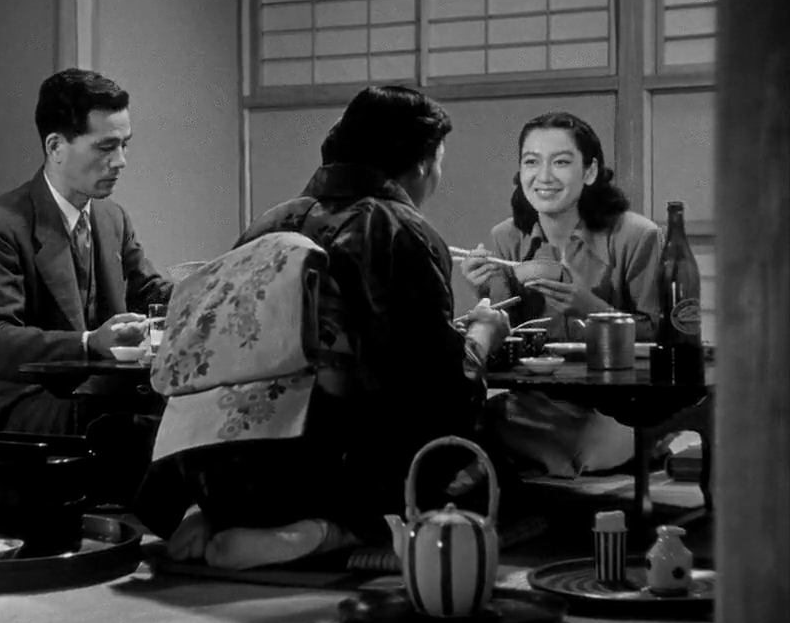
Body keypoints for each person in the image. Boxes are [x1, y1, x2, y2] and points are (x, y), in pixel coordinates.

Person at [138, 85, 511, 570]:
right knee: (487, 469)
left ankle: (217, 516)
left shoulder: (271, 224)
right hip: (333, 470)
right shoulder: (401, 228)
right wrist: (481, 338)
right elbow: (433, 387)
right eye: (438, 161)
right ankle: (325, 532)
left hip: (220, 463)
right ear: (421, 162)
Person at [0, 68, 173, 486]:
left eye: (124, 145)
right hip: (9, 405)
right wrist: (89, 342)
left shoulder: (110, 217)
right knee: (120, 424)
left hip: (86, 393)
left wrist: (214, 292)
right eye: (106, 147)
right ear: (56, 147)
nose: (120, 161)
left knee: (174, 401)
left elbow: (149, 290)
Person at [461, 111, 662, 477]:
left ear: (589, 172)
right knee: (472, 420)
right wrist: (485, 289)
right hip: (537, 400)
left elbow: (660, 334)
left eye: (562, 162)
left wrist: (594, 309)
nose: (544, 177)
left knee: (590, 440)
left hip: (617, 403)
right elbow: (512, 336)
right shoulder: (507, 237)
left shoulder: (637, 236)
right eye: (532, 162)